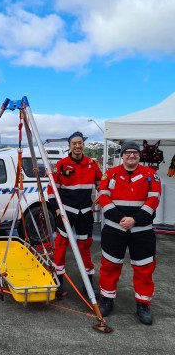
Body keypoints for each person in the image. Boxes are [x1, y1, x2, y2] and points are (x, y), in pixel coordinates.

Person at [98, 141, 161, 325]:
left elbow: (154, 198)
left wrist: (135, 220)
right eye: (128, 153)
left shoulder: (151, 174)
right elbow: (103, 196)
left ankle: (143, 304)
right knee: (109, 266)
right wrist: (120, 218)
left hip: (142, 232)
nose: (131, 156)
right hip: (114, 230)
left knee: (144, 269)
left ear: (139, 156)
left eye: (135, 153)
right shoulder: (109, 174)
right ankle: (107, 300)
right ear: (122, 155)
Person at [47, 131, 102, 298]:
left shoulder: (92, 164)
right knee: (61, 245)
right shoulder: (61, 165)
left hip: (85, 213)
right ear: (69, 146)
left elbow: (101, 184)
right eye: (74, 143)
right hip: (66, 212)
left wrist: (102, 194)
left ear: (83, 145)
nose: (77, 146)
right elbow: (51, 190)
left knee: (85, 246)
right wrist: (56, 208)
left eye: (80, 143)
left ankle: (88, 284)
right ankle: (57, 283)